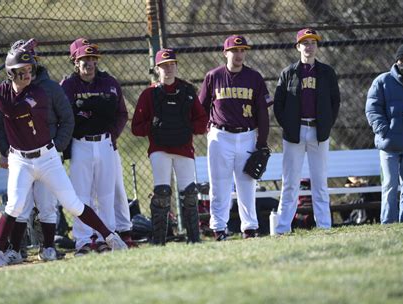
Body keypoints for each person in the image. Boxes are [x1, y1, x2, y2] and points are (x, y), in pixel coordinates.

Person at [0, 47, 127, 267]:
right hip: (20, 159)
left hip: (47, 157)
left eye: (30, 69)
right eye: (22, 70)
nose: (28, 74)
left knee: (73, 203)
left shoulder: (37, 93)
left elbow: (13, 111)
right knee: (15, 206)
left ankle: (110, 237)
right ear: (11, 73)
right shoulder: (1, 90)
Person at [0, 39, 74, 262]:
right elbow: (0, 125)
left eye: (30, 59)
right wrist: (5, 151)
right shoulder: (7, 90)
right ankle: (15, 250)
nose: (27, 67)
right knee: (20, 205)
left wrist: (56, 147)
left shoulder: (49, 87)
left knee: (47, 203)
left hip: (47, 154)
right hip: (19, 155)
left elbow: (67, 119)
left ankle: (47, 247)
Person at [198, 35, 272, 240]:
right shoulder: (213, 76)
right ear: (225, 53)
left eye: (242, 50)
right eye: (235, 50)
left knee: (246, 184)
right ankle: (218, 228)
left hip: (247, 135)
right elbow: (201, 108)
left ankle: (249, 228)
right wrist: (207, 130)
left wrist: (262, 141)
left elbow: (263, 112)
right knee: (219, 184)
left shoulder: (254, 77)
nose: (239, 54)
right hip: (220, 136)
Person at [132, 48, 207, 245]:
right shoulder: (149, 94)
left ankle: (194, 239)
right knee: (162, 194)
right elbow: (136, 128)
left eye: (172, 64)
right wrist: (154, 126)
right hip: (160, 149)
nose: (169, 68)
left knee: (190, 193)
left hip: (184, 148)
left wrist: (186, 126)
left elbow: (202, 121)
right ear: (157, 69)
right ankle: (158, 241)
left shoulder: (187, 90)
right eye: (164, 65)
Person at [61, 40, 128, 255]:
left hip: (105, 143)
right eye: (83, 60)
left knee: (106, 194)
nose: (89, 64)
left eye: (92, 59)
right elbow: (63, 116)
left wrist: (113, 135)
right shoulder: (68, 86)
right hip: (81, 144)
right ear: (75, 62)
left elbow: (122, 113)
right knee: (81, 195)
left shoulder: (109, 82)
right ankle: (82, 241)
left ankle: (104, 238)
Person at [273, 28, 340, 234]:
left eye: (313, 42)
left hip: (318, 131)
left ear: (317, 46)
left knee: (319, 181)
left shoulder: (327, 72)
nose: (309, 46)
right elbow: (278, 104)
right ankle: (283, 227)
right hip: (295, 132)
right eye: (305, 42)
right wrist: (290, 126)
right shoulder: (288, 72)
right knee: (290, 182)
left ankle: (324, 226)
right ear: (298, 47)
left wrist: (326, 125)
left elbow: (334, 102)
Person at [365, 43, 403, 224]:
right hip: (389, 144)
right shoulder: (382, 82)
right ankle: (388, 223)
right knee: (390, 185)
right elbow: (372, 109)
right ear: (396, 61)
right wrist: (384, 130)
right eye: (401, 60)